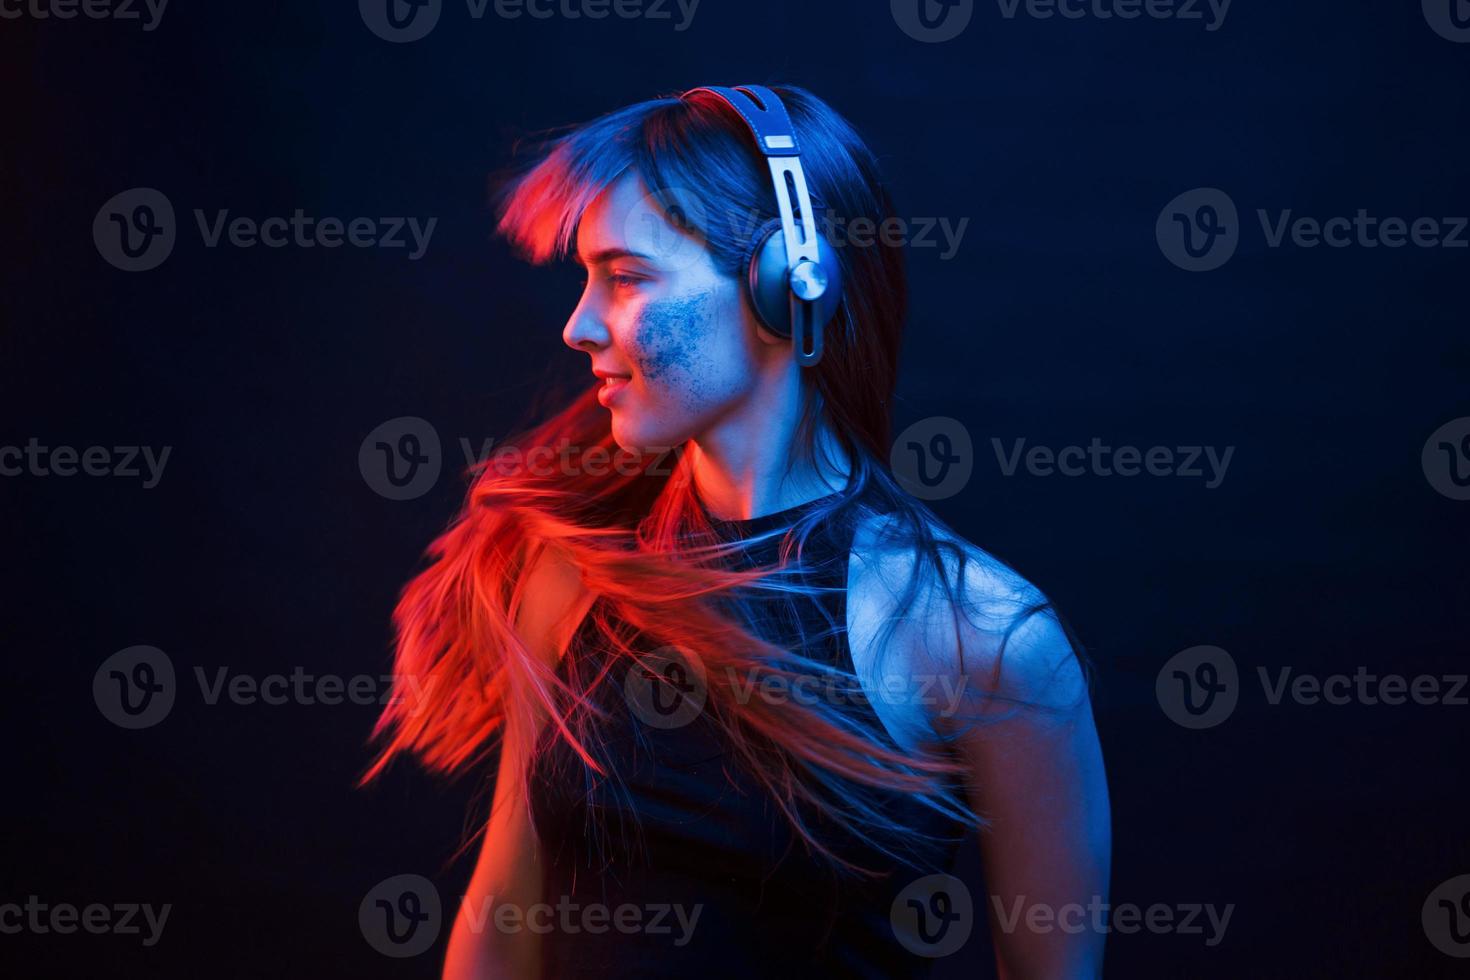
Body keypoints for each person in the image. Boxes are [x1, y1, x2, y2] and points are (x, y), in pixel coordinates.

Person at [364, 83, 1111, 978]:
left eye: (627, 276)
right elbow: (502, 917)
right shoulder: (572, 581)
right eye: (585, 279)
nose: (579, 324)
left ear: (787, 283)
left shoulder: (982, 636)